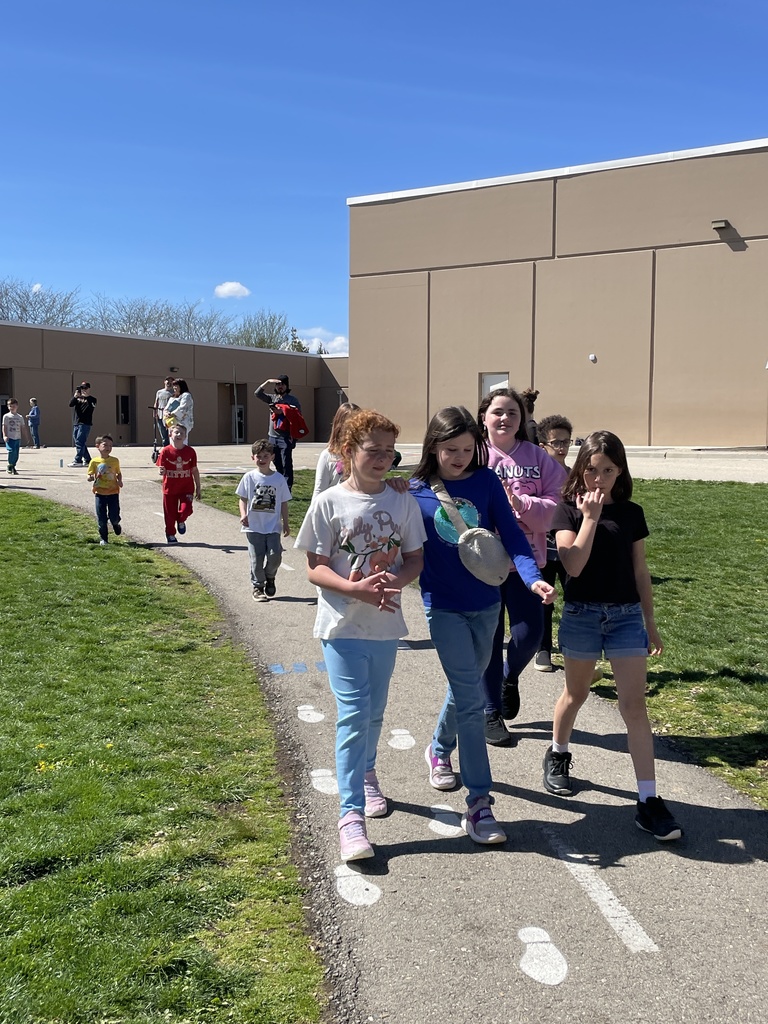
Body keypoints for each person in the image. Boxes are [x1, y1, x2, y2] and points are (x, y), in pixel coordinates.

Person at [410, 407, 555, 845]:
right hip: (444, 608)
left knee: (466, 686)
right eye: (450, 449)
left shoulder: (488, 482)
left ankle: (438, 749)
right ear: (432, 446)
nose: (459, 457)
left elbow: (512, 536)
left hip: (488, 604)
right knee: (473, 700)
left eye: (468, 450)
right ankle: (479, 804)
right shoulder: (412, 490)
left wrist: (532, 578)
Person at [295, 409, 426, 862]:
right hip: (341, 627)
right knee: (353, 715)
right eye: (374, 451)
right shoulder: (328, 502)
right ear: (348, 452)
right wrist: (354, 589)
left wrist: (394, 584)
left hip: (385, 626)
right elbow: (313, 567)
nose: (384, 459)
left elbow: (414, 559)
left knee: (374, 713)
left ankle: (368, 772)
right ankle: (350, 818)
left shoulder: (401, 500)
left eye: (391, 452)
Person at [544, 430, 682, 841]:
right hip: (583, 615)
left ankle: (648, 800)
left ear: (619, 470)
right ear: (579, 470)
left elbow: (640, 572)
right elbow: (573, 566)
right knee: (576, 694)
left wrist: (650, 623)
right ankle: (558, 752)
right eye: (591, 470)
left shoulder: (631, 512)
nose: (599, 479)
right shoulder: (566, 512)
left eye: (607, 470)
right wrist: (588, 517)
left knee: (633, 705)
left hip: (625, 617)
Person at [478, 387, 567, 745]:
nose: (504, 418)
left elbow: (556, 506)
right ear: (484, 416)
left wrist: (522, 504)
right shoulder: (475, 454)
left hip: (526, 563)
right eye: (497, 411)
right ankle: (490, 711)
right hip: (481, 565)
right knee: (489, 638)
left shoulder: (537, 457)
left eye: (512, 413)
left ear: (522, 419)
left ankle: (507, 676)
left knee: (530, 634)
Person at [534, 414, 574, 672]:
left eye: (566, 442)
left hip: (570, 551)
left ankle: (574, 652)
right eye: (556, 442)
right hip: (544, 550)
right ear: (542, 446)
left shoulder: (574, 475)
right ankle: (543, 650)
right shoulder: (537, 478)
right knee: (544, 603)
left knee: (575, 601)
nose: (561, 447)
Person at [236, 439, 291, 602]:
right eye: (258, 456)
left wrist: (285, 523)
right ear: (253, 458)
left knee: (275, 556)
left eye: (265, 456)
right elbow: (243, 498)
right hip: (253, 526)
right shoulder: (249, 477)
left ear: (272, 457)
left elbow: (283, 502)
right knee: (256, 558)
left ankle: (270, 576)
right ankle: (258, 587)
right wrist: (243, 514)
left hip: (273, 526)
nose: (262, 459)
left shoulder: (279, 479)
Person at [254, 375, 301, 489]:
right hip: (272, 437)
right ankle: (281, 484)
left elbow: (297, 417)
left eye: (282, 384)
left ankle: (287, 489)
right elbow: (257, 393)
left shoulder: (292, 400)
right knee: (276, 461)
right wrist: (267, 381)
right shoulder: (272, 398)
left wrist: (283, 412)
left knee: (286, 463)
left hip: (285, 437)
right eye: (278, 384)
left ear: (287, 386)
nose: (280, 387)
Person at [157, 423, 201, 544]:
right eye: (176, 432)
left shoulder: (190, 452)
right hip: (170, 489)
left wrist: (198, 487)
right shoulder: (165, 452)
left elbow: (194, 470)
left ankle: (181, 520)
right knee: (169, 514)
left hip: (186, 488)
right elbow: (161, 468)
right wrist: (161, 470)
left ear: (185, 436)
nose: (179, 435)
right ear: (170, 434)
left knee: (186, 509)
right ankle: (170, 534)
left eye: (182, 433)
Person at [313, 402, 360, 497]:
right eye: (348, 425)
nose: (352, 430)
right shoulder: (328, 455)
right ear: (339, 426)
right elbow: (319, 490)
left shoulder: (364, 454)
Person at [87, 434, 123, 546]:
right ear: (98, 446)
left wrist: (120, 481)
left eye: (111, 445)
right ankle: (104, 539)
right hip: (99, 493)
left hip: (113, 492)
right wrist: (93, 477)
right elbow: (89, 476)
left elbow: (118, 473)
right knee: (101, 518)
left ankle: (116, 524)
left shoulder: (115, 461)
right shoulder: (94, 461)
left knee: (114, 516)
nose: (108, 447)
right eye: (105, 445)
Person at [69, 382, 97, 467]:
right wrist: (75, 396)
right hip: (76, 423)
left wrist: (86, 396)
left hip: (85, 423)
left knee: (79, 441)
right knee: (80, 442)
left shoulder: (92, 399)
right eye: (82, 388)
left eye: (85, 388)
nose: (84, 390)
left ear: (89, 389)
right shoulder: (78, 398)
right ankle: (88, 460)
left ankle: (78, 460)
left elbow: (91, 408)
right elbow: (70, 404)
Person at [3, 399, 28, 475]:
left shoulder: (20, 417)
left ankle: (13, 465)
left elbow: (23, 427)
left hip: (17, 437)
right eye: (10, 406)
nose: (12, 408)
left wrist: (26, 437)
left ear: (17, 406)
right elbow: (4, 426)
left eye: (13, 406)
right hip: (10, 437)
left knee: (16, 453)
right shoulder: (6, 416)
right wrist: (5, 435)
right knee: (11, 450)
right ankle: (10, 466)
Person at [153, 376, 175, 446]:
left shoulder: (174, 393)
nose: (169, 382)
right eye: (167, 381)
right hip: (160, 416)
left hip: (170, 416)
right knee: (163, 435)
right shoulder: (159, 392)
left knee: (171, 434)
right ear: (164, 382)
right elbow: (156, 402)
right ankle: (165, 449)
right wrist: (155, 412)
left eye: (171, 381)